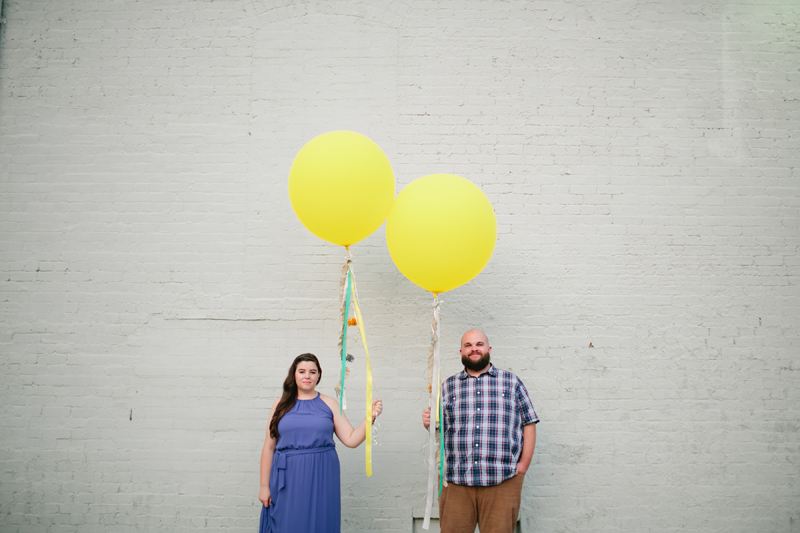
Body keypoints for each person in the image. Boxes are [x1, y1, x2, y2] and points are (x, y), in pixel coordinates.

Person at [422, 329, 538, 533]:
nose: (474, 348)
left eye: (479, 344)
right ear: (461, 352)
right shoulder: (448, 387)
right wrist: (429, 424)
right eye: (468, 345)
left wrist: (523, 465)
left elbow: (529, 422)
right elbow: (440, 429)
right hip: (456, 481)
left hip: (502, 480)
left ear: (488, 349)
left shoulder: (511, 382)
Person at [259, 353, 382, 533]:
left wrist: (369, 418)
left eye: (312, 372)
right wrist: (264, 487)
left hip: (322, 473)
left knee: (320, 524)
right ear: (294, 375)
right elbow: (269, 448)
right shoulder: (280, 405)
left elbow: (351, 439)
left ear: (318, 376)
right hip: (287, 477)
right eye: (302, 371)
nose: (307, 376)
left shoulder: (330, 403)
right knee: (288, 524)